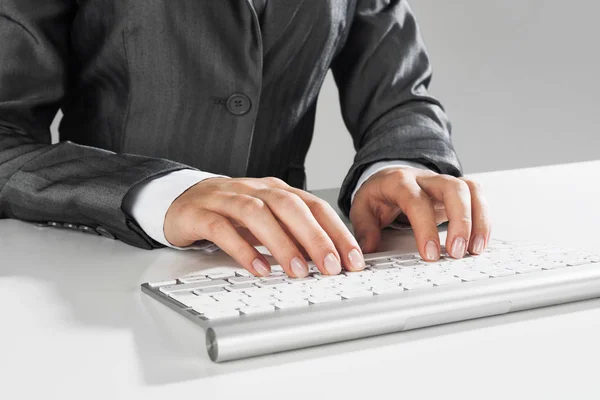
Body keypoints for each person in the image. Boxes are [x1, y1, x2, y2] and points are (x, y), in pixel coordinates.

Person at [0, 0, 490, 278]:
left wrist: (401, 164)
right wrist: (165, 191)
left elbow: (399, 95)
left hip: (289, 271)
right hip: (95, 269)